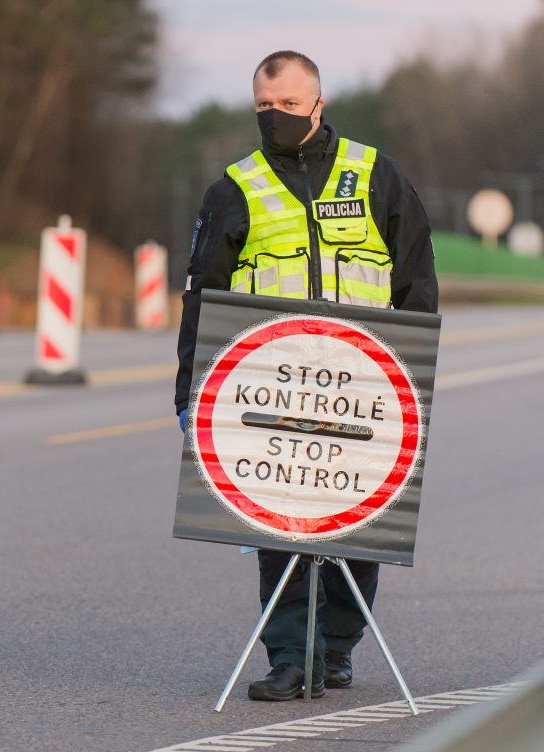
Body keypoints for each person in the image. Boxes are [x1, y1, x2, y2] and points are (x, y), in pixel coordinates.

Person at [174, 51, 438, 701]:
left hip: (366, 391)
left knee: (361, 530)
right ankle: (292, 656)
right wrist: (191, 392)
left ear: (318, 103)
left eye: (289, 105)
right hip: (270, 390)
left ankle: (338, 645)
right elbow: (202, 296)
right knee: (280, 529)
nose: (276, 117)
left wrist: (414, 385)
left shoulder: (376, 176)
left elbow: (416, 283)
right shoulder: (234, 189)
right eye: (264, 107)